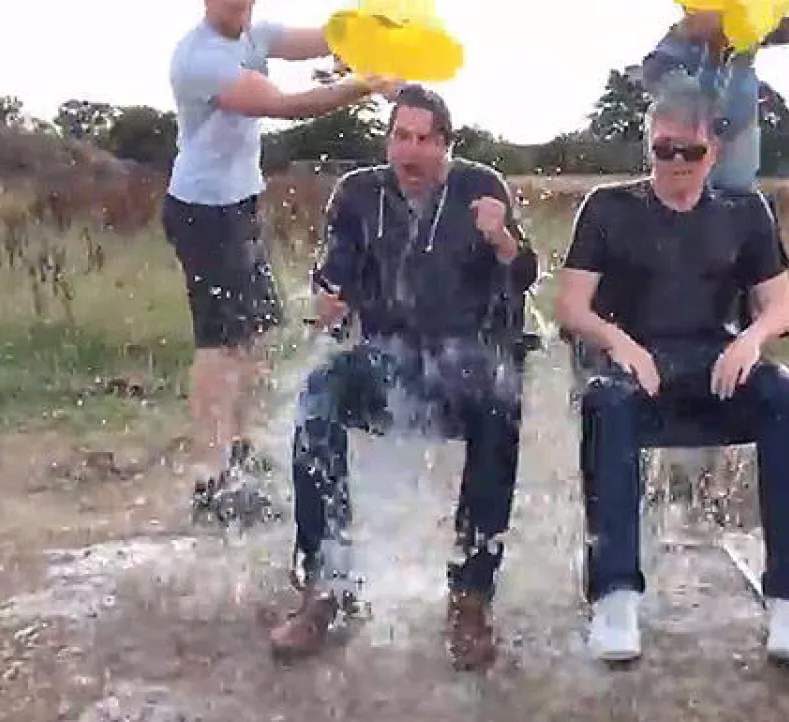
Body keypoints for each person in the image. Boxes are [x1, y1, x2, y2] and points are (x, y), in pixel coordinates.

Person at [267, 85, 539, 671]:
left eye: (424, 139)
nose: (410, 151)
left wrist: (501, 238)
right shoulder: (358, 193)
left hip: (463, 365)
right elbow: (334, 274)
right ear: (388, 140)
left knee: (501, 402)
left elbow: (524, 276)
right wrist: (326, 300)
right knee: (318, 396)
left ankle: (470, 597)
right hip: (385, 361)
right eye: (400, 137)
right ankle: (327, 585)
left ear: (447, 145)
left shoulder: (481, 186)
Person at [554, 73, 789, 664]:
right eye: (663, 149)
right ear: (648, 145)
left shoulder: (745, 210)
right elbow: (571, 305)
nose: (676, 162)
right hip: (635, 364)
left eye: (690, 151)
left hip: (716, 360)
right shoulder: (608, 208)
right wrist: (617, 341)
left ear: (713, 152)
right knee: (607, 403)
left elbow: (781, 304)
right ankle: (615, 596)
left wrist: (751, 338)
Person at [161, 0, 401, 522]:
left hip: (239, 203)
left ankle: (241, 455)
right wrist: (364, 85)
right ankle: (210, 475)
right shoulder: (200, 58)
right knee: (220, 342)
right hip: (203, 211)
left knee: (255, 332)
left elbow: (327, 37)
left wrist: (376, 26)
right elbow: (285, 106)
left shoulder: (255, 32)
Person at [636, 2, 789, 193]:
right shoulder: (713, 23)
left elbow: (731, 81)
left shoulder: (743, 43)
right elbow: (656, 69)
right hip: (698, 156)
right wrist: (698, 102)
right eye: (784, 33)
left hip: (727, 166)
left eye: (786, 39)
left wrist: (757, 91)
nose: (777, 40)